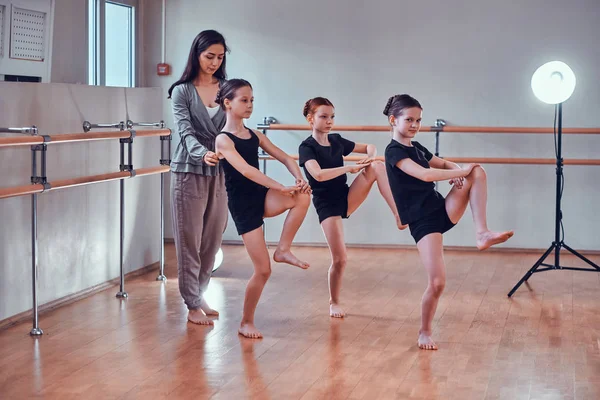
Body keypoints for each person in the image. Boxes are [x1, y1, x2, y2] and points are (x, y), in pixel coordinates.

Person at [383, 94, 514, 350]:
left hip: (441, 208)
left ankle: (482, 233)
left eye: (418, 120)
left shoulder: (417, 147)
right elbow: (425, 174)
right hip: (422, 222)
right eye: (409, 119)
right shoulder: (393, 151)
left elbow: (440, 163)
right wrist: (460, 171)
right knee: (437, 282)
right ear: (393, 120)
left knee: (477, 172)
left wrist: (458, 171)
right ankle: (424, 331)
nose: (414, 125)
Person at [215, 79, 312, 339]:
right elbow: (247, 170)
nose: (249, 105)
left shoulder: (254, 135)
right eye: (243, 100)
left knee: (303, 196)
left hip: (262, 195)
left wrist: (298, 179)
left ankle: (283, 249)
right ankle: (246, 321)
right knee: (263, 270)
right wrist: (280, 187)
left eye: (252, 100)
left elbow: (285, 156)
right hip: (243, 206)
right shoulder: (223, 140)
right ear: (227, 103)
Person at [298, 97, 407, 318]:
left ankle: (399, 214)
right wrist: (349, 168)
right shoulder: (307, 147)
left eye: (332, 117)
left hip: (346, 196)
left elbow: (370, 146)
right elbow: (317, 174)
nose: (329, 121)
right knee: (340, 259)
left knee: (377, 166)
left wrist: (368, 158)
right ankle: (334, 301)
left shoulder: (337, 140)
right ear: (310, 119)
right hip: (326, 203)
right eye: (323, 116)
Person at [167, 30, 229, 326]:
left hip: (220, 171)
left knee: (212, 239)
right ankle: (191, 303)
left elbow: (236, 126)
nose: (215, 62)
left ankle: (200, 292)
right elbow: (184, 130)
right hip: (188, 170)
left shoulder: (227, 88)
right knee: (189, 239)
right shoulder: (182, 90)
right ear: (196, 55)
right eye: (209, 56)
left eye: (220, 57)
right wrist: (201, 153)